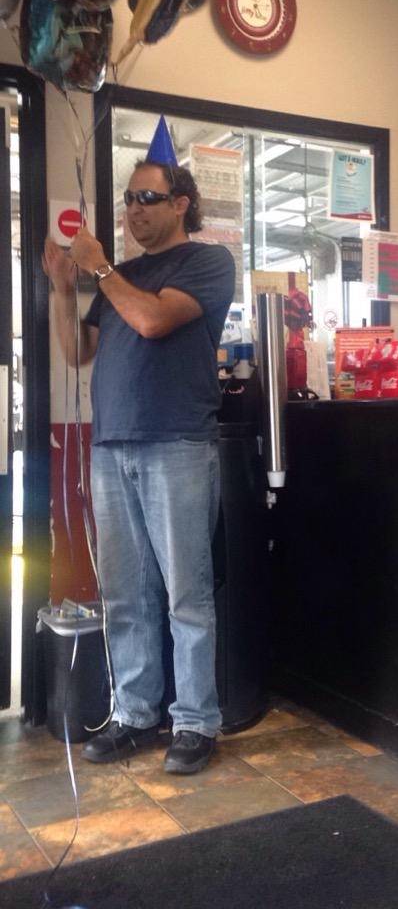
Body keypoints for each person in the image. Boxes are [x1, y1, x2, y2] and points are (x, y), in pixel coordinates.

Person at [43, 157, 235, 775]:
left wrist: (98, 268)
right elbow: (78, 352)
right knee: (124, 594)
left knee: (186, 593)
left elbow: (152, 321)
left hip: (176, 442)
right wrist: (58, 286)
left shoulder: (206, 263)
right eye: (128, 199)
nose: (133, 209)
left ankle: (196, 721)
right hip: (112, 447)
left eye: (147, 197)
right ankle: (133, 713)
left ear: (181, 203)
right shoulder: (118, 276)